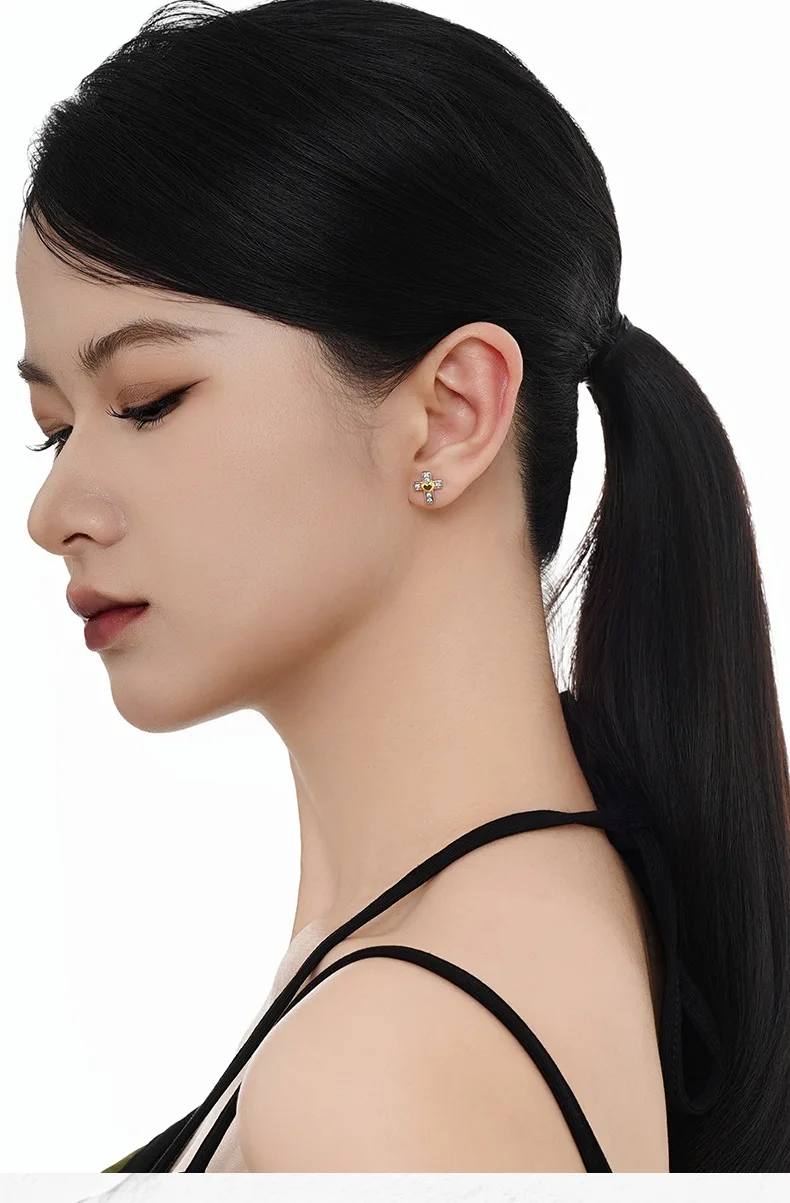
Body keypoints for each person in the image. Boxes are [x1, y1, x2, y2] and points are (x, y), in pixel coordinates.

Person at [15, 0, 790, 1174]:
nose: (54, 513)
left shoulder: (388, 1062)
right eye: (54, 427)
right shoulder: (518, 923)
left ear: (452, 412)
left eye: (148, 401)